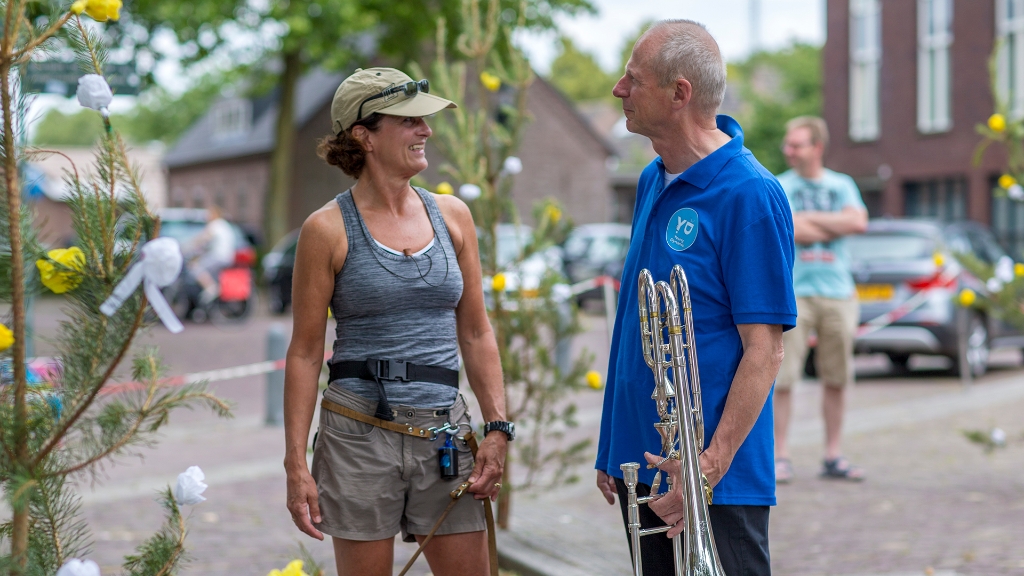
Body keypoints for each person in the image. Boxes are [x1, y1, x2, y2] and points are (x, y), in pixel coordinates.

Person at [282, 67, 511, 576]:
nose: (426, 130)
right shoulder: (326, 229)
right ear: (363, 135)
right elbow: (302, 352)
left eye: (425, 120)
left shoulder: (453, 216)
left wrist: (497, 427)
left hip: (445, 435)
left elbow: (475, 331)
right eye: (410, 121)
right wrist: (296, 463)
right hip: (358, 435)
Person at [595, 20, 797, 576]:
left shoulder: (750, 193)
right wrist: (613, 446)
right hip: (644, 463)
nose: (619, 90)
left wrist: (707, 468)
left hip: (714, 478)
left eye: (633, 79)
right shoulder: (650, 179)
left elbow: (766, 351)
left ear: (679, 93)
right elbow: (635, 328)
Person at [774, 116, 868, 483]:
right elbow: (787, 227)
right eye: (788, 144)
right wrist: (832, 221)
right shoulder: (779, 185)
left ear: (817, 147)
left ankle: (833, 455)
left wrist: (808, 219)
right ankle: (781, 456)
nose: (789, 150)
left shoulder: (842, 184)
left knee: (837, 376)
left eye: (796, 144)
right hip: (793, 292)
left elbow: (858, 223)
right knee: (782, 377)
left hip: (838, 292)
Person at [185, 206, 235, 303]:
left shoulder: (214, 225)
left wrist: (189, 246)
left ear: (214, 215)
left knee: (194, 266)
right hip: (227, 257)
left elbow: (203, 238)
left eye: (209, 214)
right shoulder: (225, 225)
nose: (207, 217)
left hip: (218, 256)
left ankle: (210, 287)